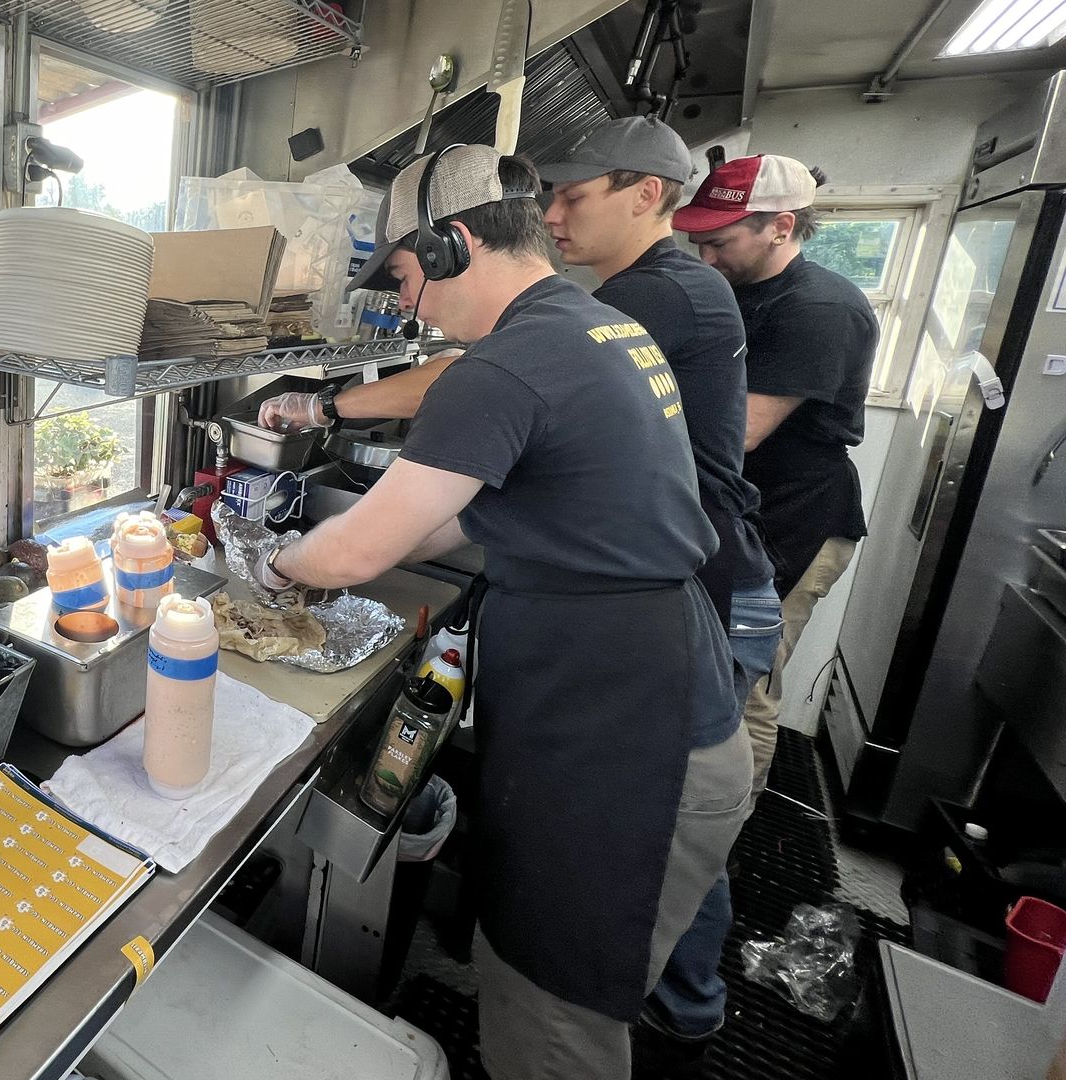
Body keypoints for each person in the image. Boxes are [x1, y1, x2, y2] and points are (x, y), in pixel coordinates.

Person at [256, 144, 748, 1080]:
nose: (405, 306)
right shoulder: (593, 326)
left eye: (403, 277)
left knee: (550, 1022)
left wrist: (274, 566)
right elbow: (454, 523)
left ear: (450, 246)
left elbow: (359, 551)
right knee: (549, 986)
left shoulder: (504, 368)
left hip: (626, 749)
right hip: (655, 697)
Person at [540, 116, 783, 1077]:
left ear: (647, 194)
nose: (555, 215)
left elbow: (506, 375)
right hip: (705, 570)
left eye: (574, 194)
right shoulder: (663, 286)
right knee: (678, 806)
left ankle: (683, 1004)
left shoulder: (659, 295)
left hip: (709, 582)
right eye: (548, 198)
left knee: (676, 809)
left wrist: (323, 401)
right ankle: (683, 995)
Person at [674, 155, 878, 797]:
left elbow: (737, 434)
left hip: (796, 522)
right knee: (706, 675)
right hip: (744, 517)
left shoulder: (818, 308)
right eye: (696, 241)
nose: (705, 258)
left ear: (781, 227)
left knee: (744, 689)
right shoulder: (737, 292)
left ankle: (719, 840)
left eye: (720, 242)